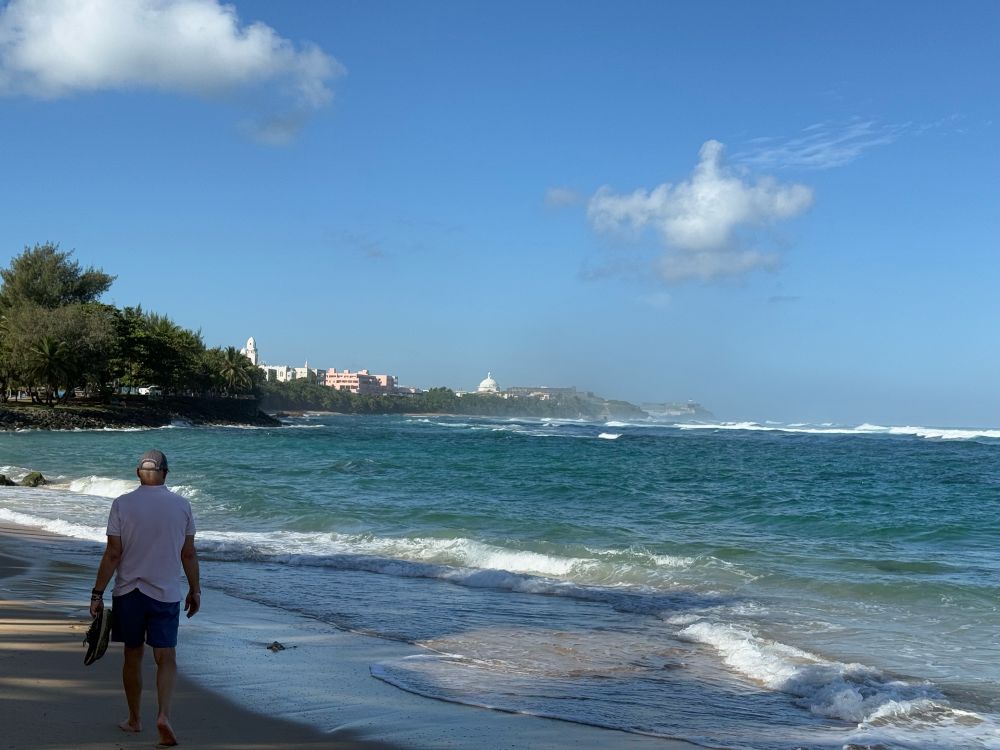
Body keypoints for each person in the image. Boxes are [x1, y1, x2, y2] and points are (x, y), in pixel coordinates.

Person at [90, 449, 201, 747]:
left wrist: (97, 593)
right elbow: (188, 553)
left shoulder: (122, 504)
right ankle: (163, 715)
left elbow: (113, 554)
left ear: (138, 472)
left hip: (129, 593)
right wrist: (195, 590)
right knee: (166, 657)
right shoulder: (182, 505)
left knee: (133, 654)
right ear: (165, 472)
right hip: (165, 594)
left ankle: (135, 719)